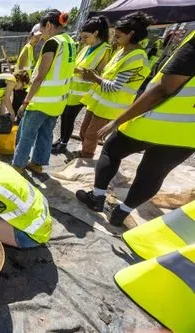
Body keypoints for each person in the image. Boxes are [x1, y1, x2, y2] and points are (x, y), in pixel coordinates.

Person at [76, 30, 195, 227]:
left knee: (111, 150)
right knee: (154, 172)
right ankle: (121, 213)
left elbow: (163, 89)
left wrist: (117, 121)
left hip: (156, 120)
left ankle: (97, 198)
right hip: (189, 134)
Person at [74, 12, 152, 160]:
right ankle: (84, 154)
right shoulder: (122, 51)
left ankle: (86, 157)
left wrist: (94, 77)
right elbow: (107, 74)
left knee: (92, 135)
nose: (115, 40)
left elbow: (115, 86)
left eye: (118, 36)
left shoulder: (136, 58)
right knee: (84, 131)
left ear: (131, 34)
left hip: (110, 106)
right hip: (99, 102)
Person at [12, 10, 76, 174]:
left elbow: (40, 77)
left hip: (41, 101)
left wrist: (25, 102)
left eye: (42, 31)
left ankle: (18, 166)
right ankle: (37, 164)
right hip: (58, 102)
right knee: (46, 134)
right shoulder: (70, 42)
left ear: (48, 25)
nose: (41, 36)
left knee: (26, 134)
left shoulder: (52, 43)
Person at [52, 16, 112, 154]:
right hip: (72, 88)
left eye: (86, 37)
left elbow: (101, 73)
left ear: (96, 33)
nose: (83, 40)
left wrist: (77, 70)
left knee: (70, 117)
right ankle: (61, 140)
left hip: (84, 92)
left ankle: (64, 143)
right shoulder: (87, 48)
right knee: (65, 116)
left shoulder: (105, 50)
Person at [13, 23, 42, 112]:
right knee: (18, 107)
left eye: (40, 36)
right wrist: (23, 83)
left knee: (17, 107)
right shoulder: (27, 48)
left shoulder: (31, 48)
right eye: (36, 36)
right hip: (21, 85)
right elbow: (21, 68)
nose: (38, 39)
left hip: (25, 83)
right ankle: (13, 124)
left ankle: (14, 124)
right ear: (31, 35)